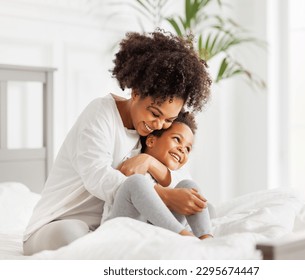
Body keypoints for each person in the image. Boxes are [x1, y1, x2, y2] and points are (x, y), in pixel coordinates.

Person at [23, 30, 212, 255]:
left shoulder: (152, 127)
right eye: (155, 113)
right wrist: (163, 195)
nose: (159, 124)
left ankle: (203, 243)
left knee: (195, 199)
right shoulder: (101, 114)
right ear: (136, 92)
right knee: (73, 236)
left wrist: (149, 163)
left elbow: (180, 174)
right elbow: (97, 177)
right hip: (60, 221)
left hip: (112, 223)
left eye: (169, 119)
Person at [105, 110, 213, 240]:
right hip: (124, 232)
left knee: (189, 187)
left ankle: (207, 239)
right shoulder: (134, 164)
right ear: (151, 141)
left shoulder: (176, 176)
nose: (182, 149)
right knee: (136, 182)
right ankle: (186, 237)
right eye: (177, 139)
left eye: (188, 149)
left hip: (157, 235)